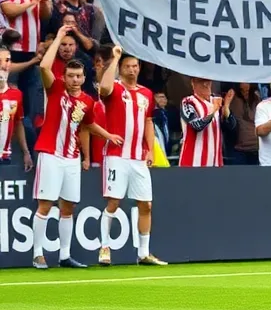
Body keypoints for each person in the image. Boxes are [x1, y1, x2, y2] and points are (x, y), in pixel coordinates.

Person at [31, 26, 121, 268]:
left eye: (78, 76)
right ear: (65, 76)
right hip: (50, 153)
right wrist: (59, 37)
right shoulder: (55, 88)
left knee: (68, 206)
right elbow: (42, 67)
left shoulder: (87, 101)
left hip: (71, 157)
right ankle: (38, 253)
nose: (74, 80)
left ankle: (64, 255)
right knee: (45, 204)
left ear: (83, 77)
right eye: (70, 76)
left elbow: (87, 126)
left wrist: (108, 135)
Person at [96, 46, 165, 266]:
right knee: (114, 202)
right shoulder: (115, 88)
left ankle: (143, 253)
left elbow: (147, 121)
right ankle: (105, 247)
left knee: (146, 205)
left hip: (138, 157)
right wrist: (114, 59)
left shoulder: (146, 94)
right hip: (117, 155)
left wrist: (151, 149)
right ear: (122, 69)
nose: (132, 70)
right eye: (128, 66)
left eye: (135, 66)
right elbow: (104, 88)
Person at [179, 78, 236, 167]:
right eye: (201, 81)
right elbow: (197, 126)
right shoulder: (188, 102)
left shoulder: (216, 100)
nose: (206, 84)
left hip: (215, 164)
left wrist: (226, 107)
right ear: (193, 83)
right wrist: (213, 111)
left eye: (208, 80)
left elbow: (231, 126)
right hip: (193, 163)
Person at [0, 47, 32, 170]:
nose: (4, 65)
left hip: (6, 157)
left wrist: (26, 152)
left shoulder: (16, 94)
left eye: (7, 60)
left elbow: (18, 123)